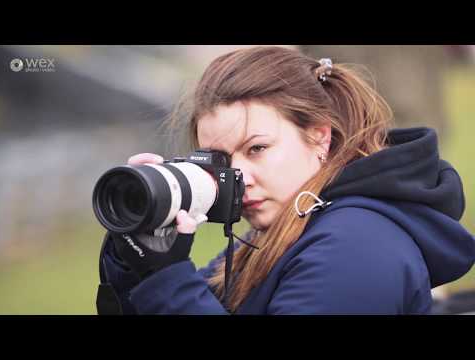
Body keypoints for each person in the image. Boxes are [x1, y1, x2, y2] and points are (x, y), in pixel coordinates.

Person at [96, 46, 475, 315]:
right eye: (221, 160)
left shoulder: (355, 246)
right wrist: (136, 260)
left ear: (319, 137)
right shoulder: (279, 233)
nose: (240, 178)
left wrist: (169, 281)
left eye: (257, 149)